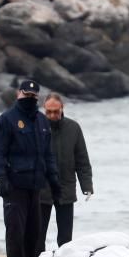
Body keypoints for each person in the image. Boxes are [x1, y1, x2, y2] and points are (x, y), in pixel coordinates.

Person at [0, 79, 62, 257]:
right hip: (14, 185)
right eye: (25, 95)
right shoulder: (6, 120)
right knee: (15, 231)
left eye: (33, 96)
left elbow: (48, 155)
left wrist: (54, 180)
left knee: (33, 232)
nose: (29, 98)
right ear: (18, 95)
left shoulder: (41, 121)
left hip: (35, 185)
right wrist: (0, 177)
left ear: (37, 97)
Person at [38, 93, 94, 249]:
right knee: (37, 235)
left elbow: (82, 159)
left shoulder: (73, 128)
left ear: (62, 108)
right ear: (44, 109)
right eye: (48, 112)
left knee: (65, 238)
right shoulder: (37, 127)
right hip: (42, 189)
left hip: (66, 188)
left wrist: (87, 186)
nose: (52, 115)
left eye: (56, 111)